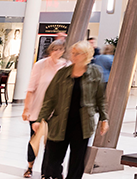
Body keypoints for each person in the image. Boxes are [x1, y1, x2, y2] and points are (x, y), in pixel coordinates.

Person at [38, 42, 107, 179]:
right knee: (52, 160)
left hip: (82, 124)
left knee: (77, 161)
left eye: (77, 53)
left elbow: (100, 98)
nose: (73, 56)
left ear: (86, 55)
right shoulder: (62, 73)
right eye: (72, 53)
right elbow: (50, 97)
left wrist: (104, 118)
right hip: (60, 122)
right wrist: (41, 118)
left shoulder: (95, 73)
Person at [21, 41, 69, 178]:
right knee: (34, 141)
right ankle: (30, 166)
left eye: (60, 49)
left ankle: (45, 173)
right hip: (37, 109)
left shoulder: (66, 66)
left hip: (56, 113)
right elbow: (31, 89)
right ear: (50, 50)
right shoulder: (40, 65)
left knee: (51, 144)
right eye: (55, 49)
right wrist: (26, 109)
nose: (57, 52)